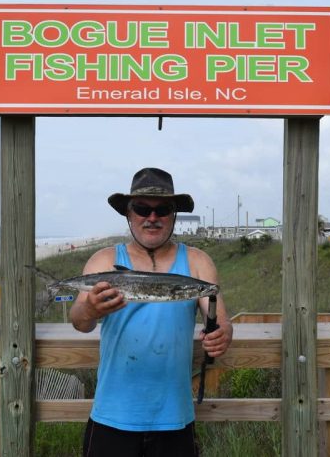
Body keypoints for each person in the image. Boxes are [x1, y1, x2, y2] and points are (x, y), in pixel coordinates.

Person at [70, 167, 233, 457]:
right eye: (142, 208)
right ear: (129, 214)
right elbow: (79, 322)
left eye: (163, 209)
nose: (152, 218)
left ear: (174, 215)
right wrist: (90, 308)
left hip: (175, 417)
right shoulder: (104, 260)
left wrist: (221, 334)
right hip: (111, 415)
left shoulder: (198, 263)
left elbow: (219, 317)